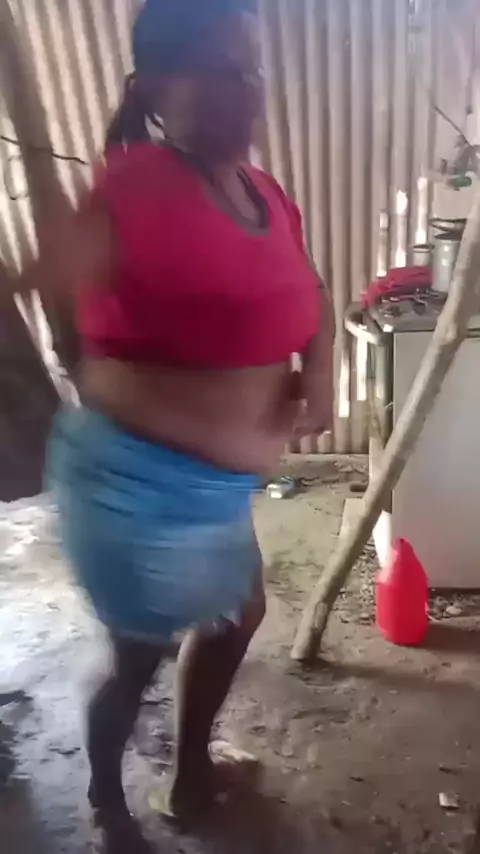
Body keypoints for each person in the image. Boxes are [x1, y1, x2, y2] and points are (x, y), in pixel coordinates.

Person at [3, 1, 334, 850]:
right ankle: (105, 801)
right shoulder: (132, 187)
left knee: (236, 615)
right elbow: (44, 280)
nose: (244, 88)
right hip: (139, 487)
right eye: (217, 69)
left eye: (250, 68)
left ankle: (189, 776)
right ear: (153, 88)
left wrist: (321, 367)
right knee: (137, 659)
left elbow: (312, 290)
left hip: (219, 485)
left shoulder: (265, 193)